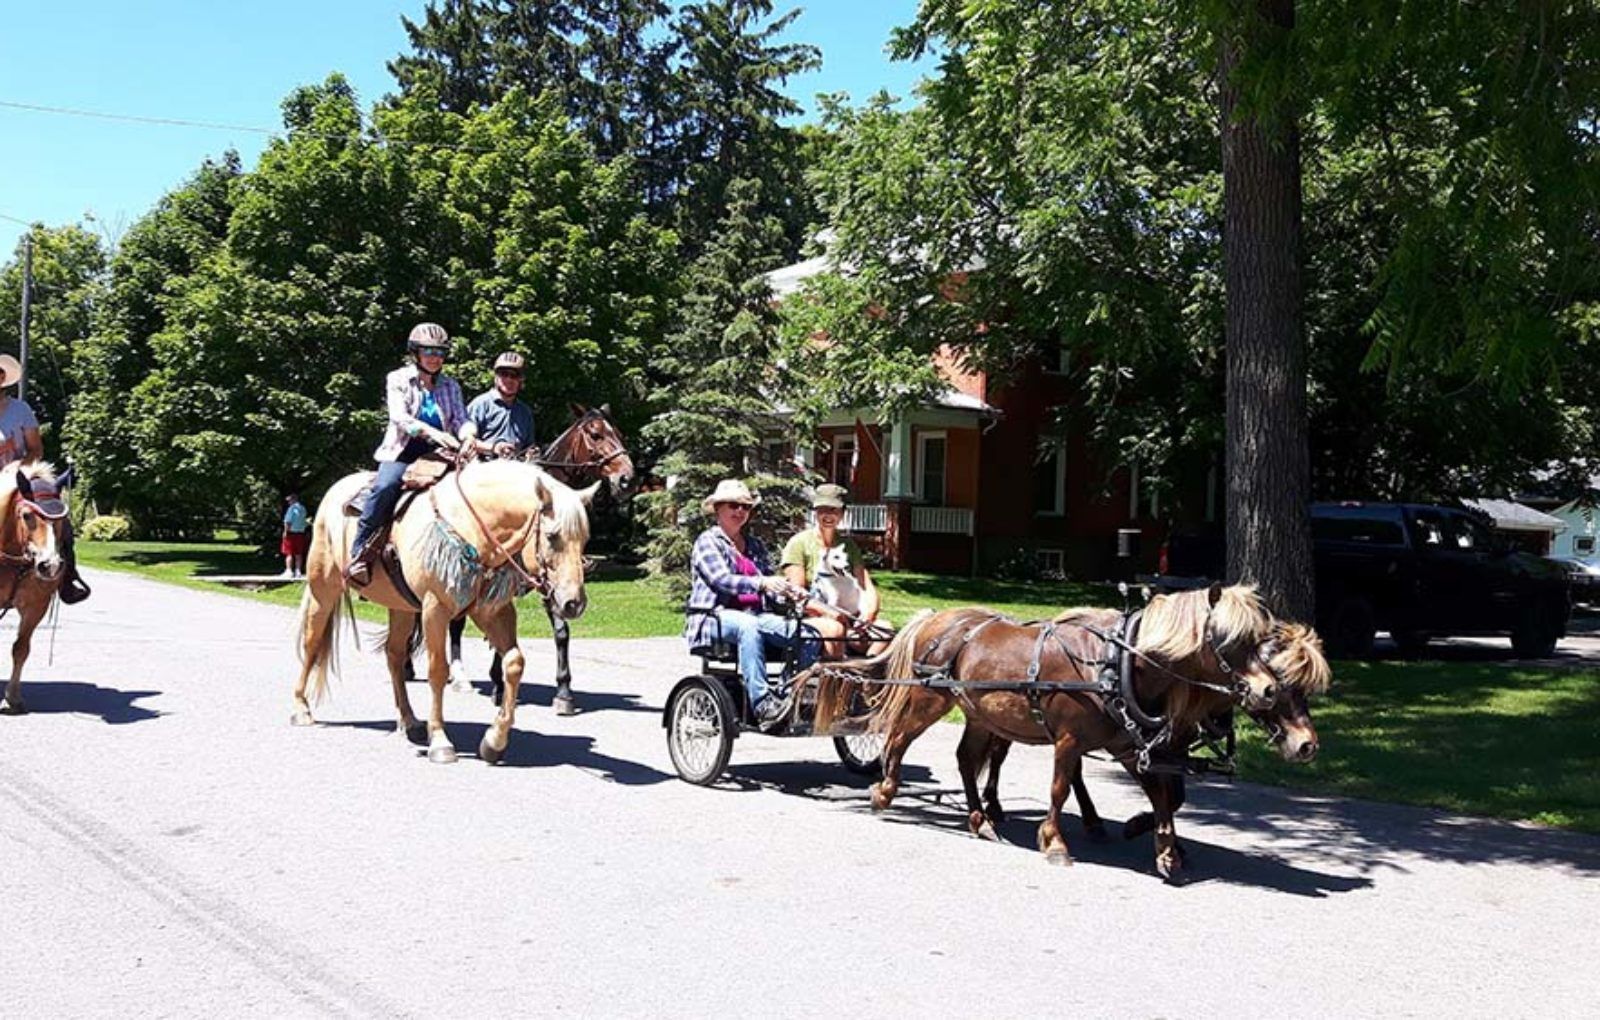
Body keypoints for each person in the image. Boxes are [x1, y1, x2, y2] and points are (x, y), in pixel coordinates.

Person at [346, 323, 469, 586]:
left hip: (440, 455)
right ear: (416, 353)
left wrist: (469, 434)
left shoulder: (451, 386)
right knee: (386, 486)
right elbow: (400, 417)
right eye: (428, 351)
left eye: (440, 352)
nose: (435, 357)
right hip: (402, 452)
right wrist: (434, 433)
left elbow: (461, 419)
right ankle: (360, 552)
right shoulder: (398, 379)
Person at [684, 479, 816, 725]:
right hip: (712, 617)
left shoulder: (755, 545)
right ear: (717, 509)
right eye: (733, 505)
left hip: (755, 615)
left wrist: (788, 592)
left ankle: (787, 697)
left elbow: (769, 589)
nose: (740, 512)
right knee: (748, 626)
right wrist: (762, 583)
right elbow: (721, 580)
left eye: (745, 507)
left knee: (808, 633)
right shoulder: (707, 541)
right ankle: (762, 705)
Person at [0, 354, 89, 604]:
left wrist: (20, 466)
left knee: (57, 517)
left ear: (4, 379)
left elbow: (36, 449)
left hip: (21, 479)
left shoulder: (21, 410)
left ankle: (68, 577)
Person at [781, 484, 890, 659]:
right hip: (813, 620)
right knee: (835, 630)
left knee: (885, 630)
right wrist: (829, 613)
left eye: (834, 510)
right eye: (822, 509)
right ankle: (833, 679)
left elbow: (866, 587)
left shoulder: (848, 546)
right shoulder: (799, 543)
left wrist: (868, 615)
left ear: (842, 513)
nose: (828, 515)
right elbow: (797, 595)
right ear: (815, 512)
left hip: (850, 620)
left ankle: (867, 671)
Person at [463, 352, 536, 459]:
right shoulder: (480, 404)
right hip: (483, 466)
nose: (509, 379)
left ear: (521, 380)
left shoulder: (525, 412)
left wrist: (530, 453)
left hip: (516, 468)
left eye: (514, 375)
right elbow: (466, 441)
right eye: (504, 374)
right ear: (496, 376)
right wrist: (494, 448)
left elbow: (529, 446)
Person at [280, 493, 310, 578]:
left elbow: (288, 521)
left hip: (291, 533)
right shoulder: (303, 508)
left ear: (293, 500)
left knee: (289, 553)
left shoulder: (291, 509)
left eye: (289, 500)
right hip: (300, 533)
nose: (288, 502)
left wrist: (285, 532)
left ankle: (289, 571)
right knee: (298, 553)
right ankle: (298, 571)